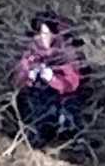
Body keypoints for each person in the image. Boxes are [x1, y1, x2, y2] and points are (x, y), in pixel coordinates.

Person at [14, 12, 84, 146]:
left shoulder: (66, 52)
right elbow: (18, 77)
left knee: (67, 111)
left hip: (61, 98)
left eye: (46, 33)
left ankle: (68, 140)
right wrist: (28, 76)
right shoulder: (31, 51)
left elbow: (73, 83)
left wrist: (53, 79)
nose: (43, 37)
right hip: (37, 98)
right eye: (40, 33)